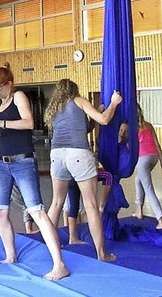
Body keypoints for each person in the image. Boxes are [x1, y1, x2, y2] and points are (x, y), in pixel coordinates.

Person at [0, 65, 69, 280]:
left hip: (22, 161)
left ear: (9, 84)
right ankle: (10, 256)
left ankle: (59, 264)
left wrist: (0, 122)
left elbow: (29, 122)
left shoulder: (18, 97)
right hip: (1, 163)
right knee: (0, 212)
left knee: (36, 211)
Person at [44, 78, 121, 261]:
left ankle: (49, 248)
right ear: (74, 89)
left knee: (56, 203)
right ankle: (102, 253)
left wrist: (98, 112)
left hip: (57, 156)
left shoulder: (54, 108)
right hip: (78, 154)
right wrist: (113, 104)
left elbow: (84, 127)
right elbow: (104, 120)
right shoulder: (79, 100)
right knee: (91, 205)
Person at [133, 104, 162, 229]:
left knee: (148, 188)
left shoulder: (131, 128)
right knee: (138, 180)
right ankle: (139, 210)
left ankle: (161, 219)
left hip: (142, 159)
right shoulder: (148, 125)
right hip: (153, 157)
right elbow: (157, 144)